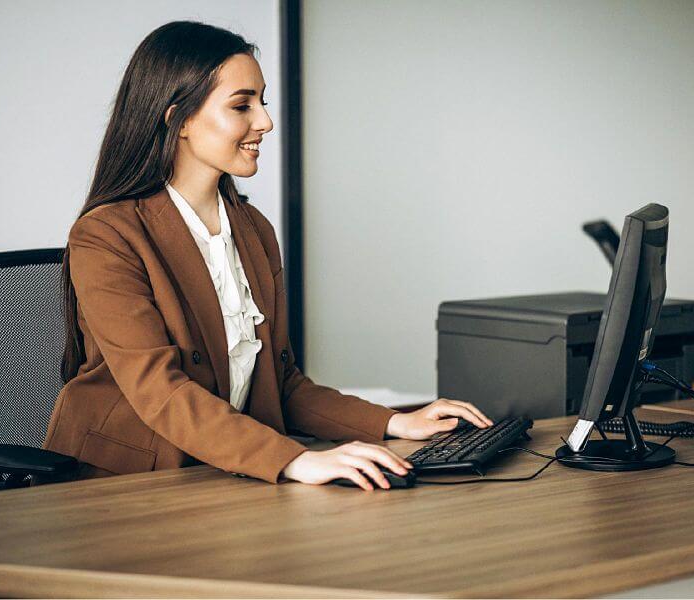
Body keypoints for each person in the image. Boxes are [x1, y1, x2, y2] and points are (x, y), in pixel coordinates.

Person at [42, 20, 492, 492]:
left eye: (263, 102)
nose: (265, 121)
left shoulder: (252, 229)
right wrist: (294, 459)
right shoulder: (106, 236)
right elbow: (162, 392)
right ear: (181, 121)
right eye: (242, 105)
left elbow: (282, 384)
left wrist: (396, 423)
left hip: (224, 474)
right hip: (126, 487)